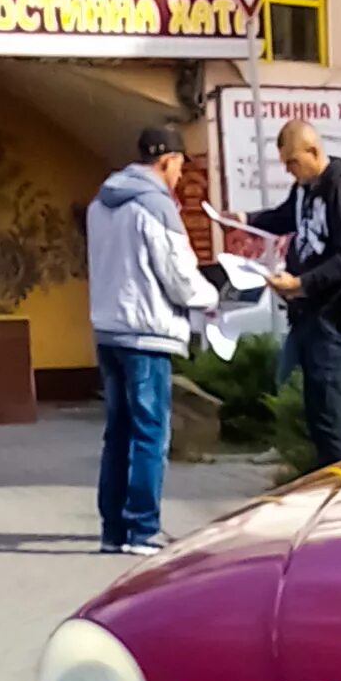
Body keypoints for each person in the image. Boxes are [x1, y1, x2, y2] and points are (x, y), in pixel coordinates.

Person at [86, 124, 217, 556]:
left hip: (108, 330)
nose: (181, 174)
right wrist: (213, 294)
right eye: (181, 164)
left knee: (118, 432)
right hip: (148, 334)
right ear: (167, 161)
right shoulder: (156, 206)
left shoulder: (100, 203)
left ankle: (114, 530)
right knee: (149, 434)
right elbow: (179, 278)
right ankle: (143, 529)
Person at [232, 119, 341, 468]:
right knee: (312, 411)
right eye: (284, 164)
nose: (290, 171)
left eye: (293, 162)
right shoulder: (303, 189)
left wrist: (301, 283)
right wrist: (243, 218)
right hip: (306, 313)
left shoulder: (340, 188)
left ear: (313, 151)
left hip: (333, 315)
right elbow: (285, 217)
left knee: (330, 414)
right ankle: (325, 482)